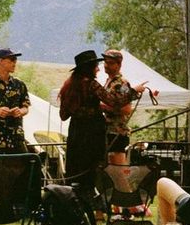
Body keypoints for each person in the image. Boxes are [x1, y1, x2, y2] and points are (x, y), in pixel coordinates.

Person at [58, 51, 146, 203]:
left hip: (75, 132)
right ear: (89, 68)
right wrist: (134, 91)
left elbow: (63, 115)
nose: (99, 68)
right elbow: (114, 101)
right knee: (94, 169)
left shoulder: (69, 85)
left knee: (76, 168)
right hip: (92, 133)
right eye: (96, 66)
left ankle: (76, 202)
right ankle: (99, 203)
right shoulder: (92, 84)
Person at [101, 50, 144, 165]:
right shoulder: (109, 82)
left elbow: (126, 109)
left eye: (110, 63)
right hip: (108, 131)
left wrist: (103, 107)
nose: (106, 65)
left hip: (117, 131)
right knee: (110, 169)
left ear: (118, 64)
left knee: (118, 168)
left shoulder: (122, 83)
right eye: (105, 62)